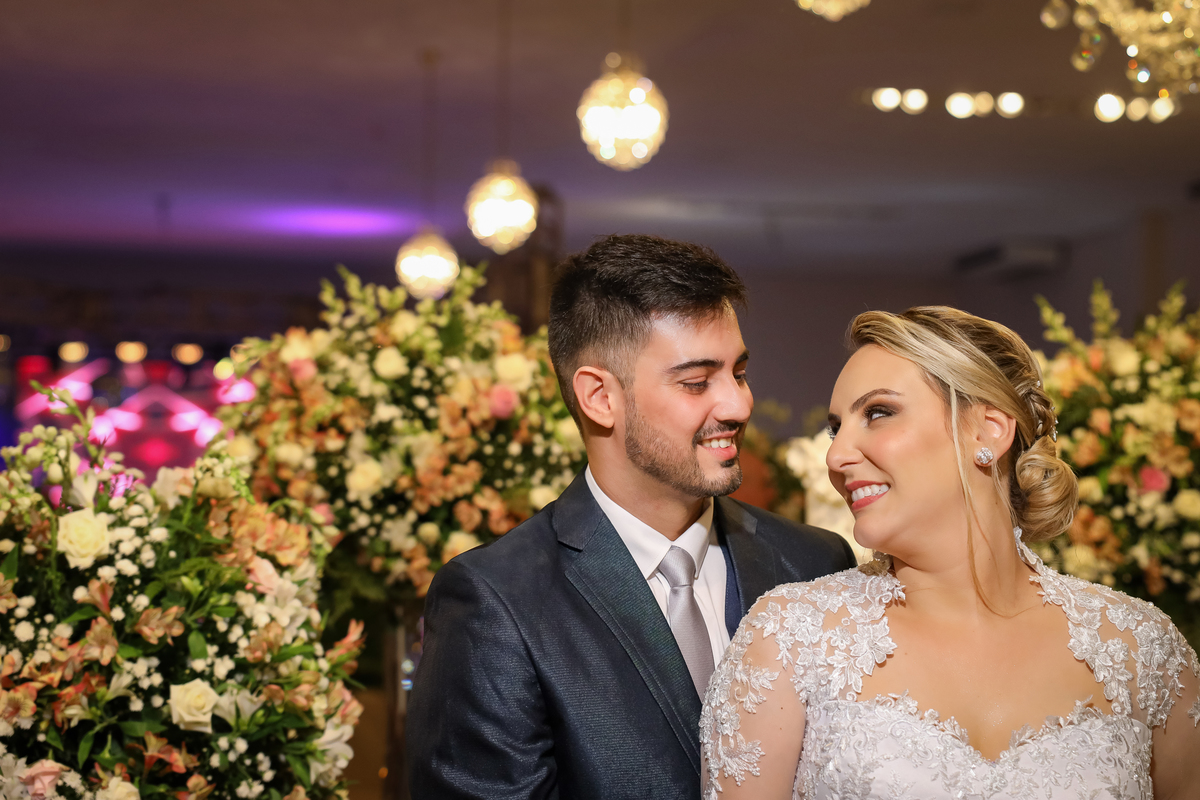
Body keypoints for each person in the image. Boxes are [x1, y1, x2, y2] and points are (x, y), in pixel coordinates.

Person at [406, 234, 856, 799]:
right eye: (697, 382)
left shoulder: (814, 561)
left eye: (739, 372)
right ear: (600, 397)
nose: (739, 404)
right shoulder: (496, 601)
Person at [701, 306, 1200, 799]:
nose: (836, 455)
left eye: (878, 413)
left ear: (989, 429)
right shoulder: (790, 640)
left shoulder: (1142, 650)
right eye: (836, 429)